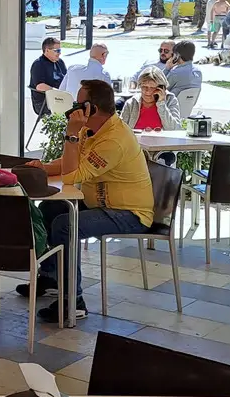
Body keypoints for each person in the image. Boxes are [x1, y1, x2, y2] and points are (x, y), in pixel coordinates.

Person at [19, 79, 155, 322]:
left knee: (65, 225)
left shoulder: (113, 140)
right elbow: (70, 164)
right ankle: (51, 278)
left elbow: (72, 176)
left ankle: (73, 301)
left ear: (91, 108)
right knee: (49, 209)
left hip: (129, 213)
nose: (73, 108)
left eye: (78, 104)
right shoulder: (92, 130)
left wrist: (71, 134)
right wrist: (43, 168)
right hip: (100, 204)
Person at [28, 37, 67, 117]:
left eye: (60, 50)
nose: (59, 53)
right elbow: (40, 86)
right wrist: (58, 92)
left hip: (60, 98)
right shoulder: (39, 64)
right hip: (44, 101)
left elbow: (67, 78)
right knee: (73, 110)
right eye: (57, 51)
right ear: (47, 50)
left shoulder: (60, 62)